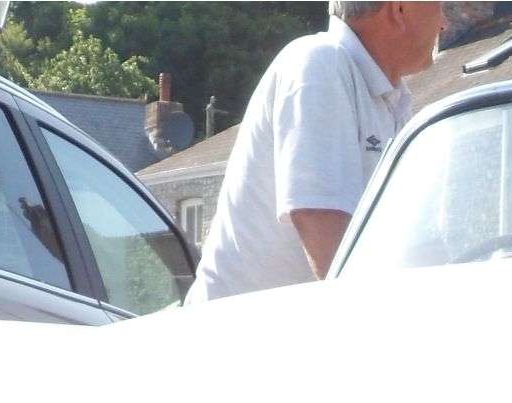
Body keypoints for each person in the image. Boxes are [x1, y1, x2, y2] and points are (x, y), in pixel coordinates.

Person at [187, 0, 443, 302]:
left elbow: (418, 247)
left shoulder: (393, 101)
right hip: (232, 340)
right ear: (400, 8)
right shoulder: (320, 65)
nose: (445, 23)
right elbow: (330, 246)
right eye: (440, 4)